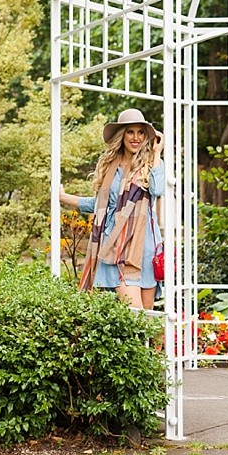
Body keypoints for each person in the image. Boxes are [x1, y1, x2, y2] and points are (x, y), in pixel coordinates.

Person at [60, 108, 165, 309]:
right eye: (130, 132)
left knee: (149, 321)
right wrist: (64, 198)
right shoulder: (111, 168)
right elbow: (101, 205)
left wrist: (157, 153)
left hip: (146, 247)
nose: (136, 138)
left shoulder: (152, 164)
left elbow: (157, 189)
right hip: (118, 247)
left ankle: (162, 343)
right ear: (122, 135)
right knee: (136, 314)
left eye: (141, 132)